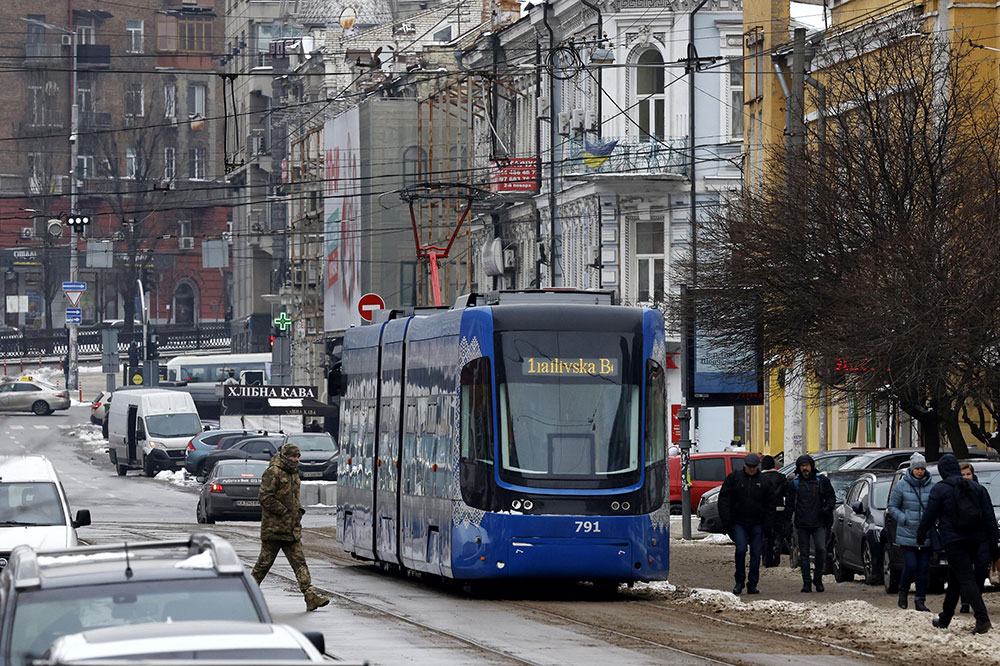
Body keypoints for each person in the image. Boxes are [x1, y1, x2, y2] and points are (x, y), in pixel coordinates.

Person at [917, 454, 999, 634]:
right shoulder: (978, 488)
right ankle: (945, 617)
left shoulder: (939, 490)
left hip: (954, 541)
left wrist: (921, 536)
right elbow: (990, 519)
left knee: (965, 578)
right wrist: (994, 547)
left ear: (942, 471)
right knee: (954, 577)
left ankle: (982, 619)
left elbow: (929, 516)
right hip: (978, 540)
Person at [250, 443, 331, 612]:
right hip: (274, 530)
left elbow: (293, 498)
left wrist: (297, 511)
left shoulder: (293, 473)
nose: (297, 459)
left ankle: (310, 596)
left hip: (291, 529)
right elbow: (265, 497)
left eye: (298, 456)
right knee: (262, 566)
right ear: (286, 456)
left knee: (300, 563)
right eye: (294, 456)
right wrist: (284, 511)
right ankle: (245, 595)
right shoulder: (273, 472)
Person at [887, 453, 934, 611]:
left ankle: (920, 600)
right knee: (911, 565)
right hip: (907, 532)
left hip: (925, 534)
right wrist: (903, 518)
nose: (919, 471)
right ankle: (903, 591)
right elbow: (892, 507)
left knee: (923, 568)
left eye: (922, 468)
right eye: (917, 468)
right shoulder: (902, 485)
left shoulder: (931, 485)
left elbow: (936, 507)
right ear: (912, 469)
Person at [718, 452, 770, 594]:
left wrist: (768, 523)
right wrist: (726, 520)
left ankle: (752, 583)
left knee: (756, 553)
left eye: (754, 467)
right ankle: (739, 581)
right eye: (749, 467)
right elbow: (724, 499)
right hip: (739, 521)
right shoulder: (734, 478)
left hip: (757, 522)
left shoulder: (764, 481)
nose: (752, 469)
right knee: (741, 550)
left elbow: (769, 503)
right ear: (745, 466)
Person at [786, 454, 835, 593]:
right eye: (802, 466)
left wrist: (826, 509)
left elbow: (831, 497)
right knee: (804, 554)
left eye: (807, 465)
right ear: (799, 468)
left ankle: (818, 579)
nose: (805, 468)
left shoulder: (821, 480)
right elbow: (789, 504)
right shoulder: (794, 483)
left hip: (819, 522)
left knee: (821, 549)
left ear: (811, 466)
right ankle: (806, 582)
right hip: (801, 524)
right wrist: (786, 523)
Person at [959, 461, 992, 615]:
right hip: (963, 537)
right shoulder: (955, 491)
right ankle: (965, 600)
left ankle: (975, 596)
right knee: (965, 570)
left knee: (981, 568)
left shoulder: (980, 491)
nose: (966, 477)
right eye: (963, 474)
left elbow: (988, 515)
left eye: (968, 474)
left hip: (981, 537)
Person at [759, 455, 787, 567]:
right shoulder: (781, 477)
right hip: (779, 509)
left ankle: (766, 558)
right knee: (778, 532)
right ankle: (777, 546)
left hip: (764, 511)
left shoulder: (759, 478)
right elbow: (786, 493)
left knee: (765, 535)